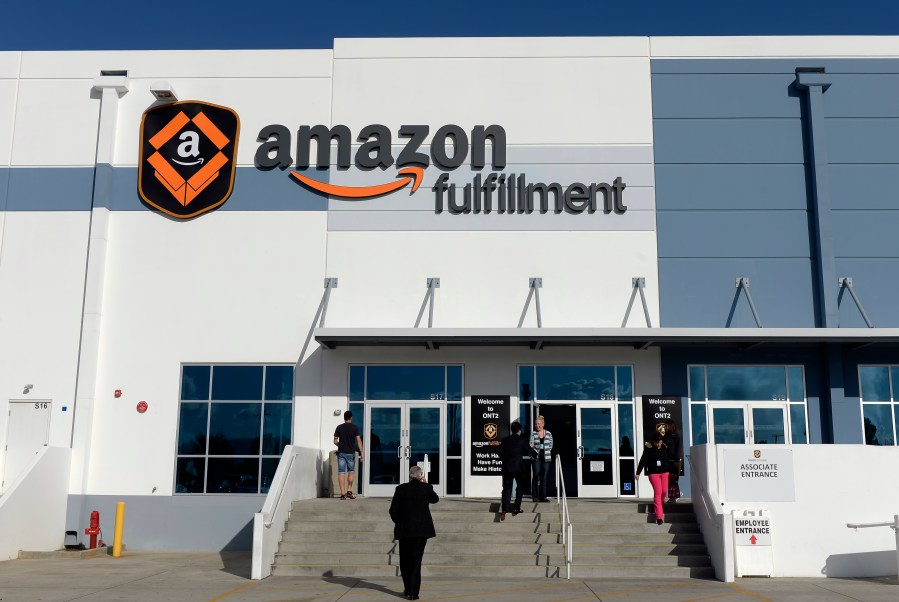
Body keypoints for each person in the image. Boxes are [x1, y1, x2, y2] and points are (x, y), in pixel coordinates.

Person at [389, 465, 439, 600]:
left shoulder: (401, 489)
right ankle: (413, 592)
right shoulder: (426, 488)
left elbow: (393, 510)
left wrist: (399, 523)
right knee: (416, 561)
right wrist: (426, 484)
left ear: (410, 476)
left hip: (405, 530)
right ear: (420, 476)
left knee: (405, 560)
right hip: (421, 530)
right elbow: (435, 499)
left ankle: (408, 588)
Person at [499, 421, 536, 520]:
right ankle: (516, 508)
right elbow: (531, 451)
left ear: (511, 430)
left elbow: (500, 454)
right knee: (520, 487)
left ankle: (504, 509)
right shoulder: (522, 440)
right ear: (519, 430)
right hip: (519, 468)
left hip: (507, 468)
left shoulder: (504, 440)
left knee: (507, 488)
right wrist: (536, 455)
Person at [636, 433, 672, 525]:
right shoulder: (649, 447)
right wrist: (638, 472)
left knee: (664, 491)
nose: (659, 444)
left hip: (665, 472)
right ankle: (659, 517)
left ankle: (659, 505)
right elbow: (643, 460)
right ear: (654, 442)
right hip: (653, 473)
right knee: (658, 492)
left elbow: (668, 459)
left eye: (660, 442)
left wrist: (672, 470)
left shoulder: (664, 446)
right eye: (657, 443)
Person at [333, 410, 364, 500]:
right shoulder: (355, 428)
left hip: (341, 453)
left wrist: (339, 445)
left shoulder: (339, 427)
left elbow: (335, 440)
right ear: (351, 418)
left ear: (344, 418)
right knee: (351, 471)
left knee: (341, 472)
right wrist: (362, 453)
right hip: (351, 453)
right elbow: (358, 440)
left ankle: (343, 494)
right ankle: (349, 491)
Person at [530, 415, 554, 502]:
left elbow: (551, 445)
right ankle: (535, 496)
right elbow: (531, 445)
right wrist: (535, 450)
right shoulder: (533, 433)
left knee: (544, 477)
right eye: (536, 424)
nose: (537, 425)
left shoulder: (548, 433)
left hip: (546, 459)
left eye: (538, 424)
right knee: (536, 476)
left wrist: (546, 451)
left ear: (543, 424)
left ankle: (543, 496)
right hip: (536, 458)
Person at [663, 419, 683, 503]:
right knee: (668, 479)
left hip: (674, 461)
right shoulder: (666, 436)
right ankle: (674, 495)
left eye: (666, 425)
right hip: (667, 461)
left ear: (670, 426)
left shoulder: (676, 436)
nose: (665, 427)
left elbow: (678, 449)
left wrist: (677, 460)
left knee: (673, 479)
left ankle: (675, 496)